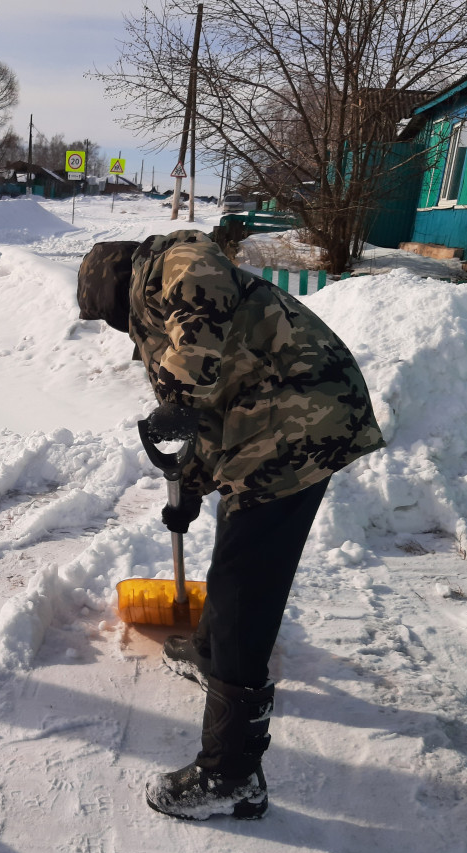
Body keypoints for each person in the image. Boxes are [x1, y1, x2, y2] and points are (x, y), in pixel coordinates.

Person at [76, 230, 384, 820]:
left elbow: (203, 302)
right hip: (267, 421)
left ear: (120, 291)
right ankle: (212, 652)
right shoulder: (170, 319)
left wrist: (176, 390)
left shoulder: (178, 265)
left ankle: (233, 776)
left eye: (113, 320)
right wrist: (188, 487)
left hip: (301, 422)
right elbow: (208, 411)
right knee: (234, 557)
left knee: (248, 582)